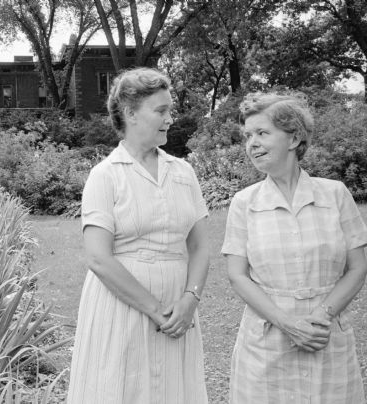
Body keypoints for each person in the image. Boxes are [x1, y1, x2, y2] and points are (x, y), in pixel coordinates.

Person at [66, 67, 210, 404]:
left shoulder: (183, 172)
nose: (170, 119)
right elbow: (98, 258)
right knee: (123, 389)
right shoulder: (105, 176)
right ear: (130, 113)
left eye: (170, 110)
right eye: (161, 111)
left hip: (179, 308)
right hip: (123, 308)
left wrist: (191, 299)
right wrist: (156, 310)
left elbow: (201, 245)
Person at [221, 92, 367, 403]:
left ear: (293, 138)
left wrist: (320, 318)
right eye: (248, 136)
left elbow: (358, 267)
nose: (252, 143)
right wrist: (288, 324)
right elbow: (237, 275)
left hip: (326, 337)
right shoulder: (244, 203)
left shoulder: (335, 195)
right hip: (266, 343)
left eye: (262, 133)